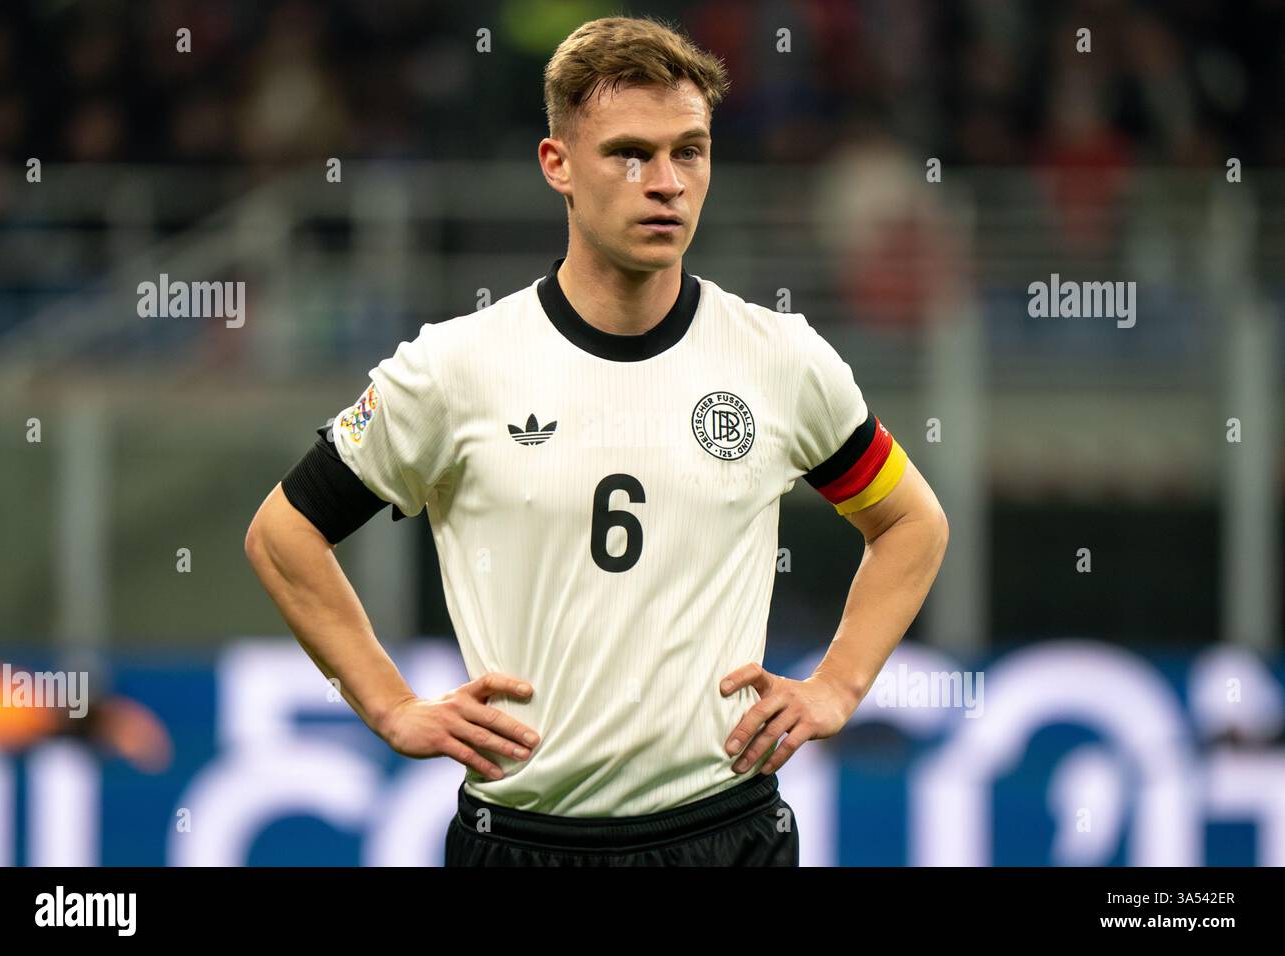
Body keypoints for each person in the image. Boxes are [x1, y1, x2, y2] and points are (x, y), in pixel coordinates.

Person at [245, 15, 948, 867]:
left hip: (726, 835)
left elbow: (911, 522)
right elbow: (284, 533)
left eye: (689, 151)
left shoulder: (781, 360)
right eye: (629, 153)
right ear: (558, 166)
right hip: (522, 844)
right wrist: (393, 707)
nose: (667, 183)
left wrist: (837, 687)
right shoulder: (455, 369)